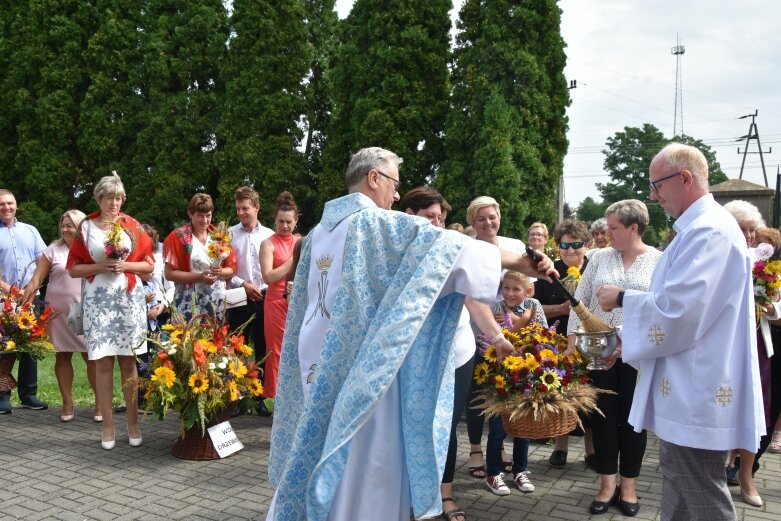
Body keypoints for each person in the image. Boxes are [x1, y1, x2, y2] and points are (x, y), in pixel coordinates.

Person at [266, 147, 555, 521]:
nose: (397, 195)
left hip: (318, 365)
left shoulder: (321, 231)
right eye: (394, 184)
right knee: (364, 470)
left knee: (325, 450)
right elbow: (442, 245)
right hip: (361, 372)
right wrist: (521, 262)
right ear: (374, 179)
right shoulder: (371, 223)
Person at [597, 143, 765, 521]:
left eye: (657, 185)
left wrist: (623, 296)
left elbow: (681, 311)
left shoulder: (711, 233)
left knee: (701, 492)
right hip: (687, 380)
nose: (654, 196)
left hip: (698, 387)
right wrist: (626, 340)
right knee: (678, 483)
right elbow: (674, 302)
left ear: (685, 178)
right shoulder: (696, 230)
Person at [400, 186, 514, 521]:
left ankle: (445, 495)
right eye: (429, 217)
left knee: (447, 425)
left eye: (440, 217)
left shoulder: (454, 251)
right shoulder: (400, 254)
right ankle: (408, 492)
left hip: (459, 352)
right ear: (411, 217)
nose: (436, 223)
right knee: (412, 423)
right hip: (413, 354)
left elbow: (473, 300)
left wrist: (497, 338)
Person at [566, 200, 662, 516]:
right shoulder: (598, 258)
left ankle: (630, 486)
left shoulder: (659, 261)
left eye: (614, 228)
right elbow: (580, 301)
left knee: (634, 423)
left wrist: (624, 336)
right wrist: (572, 343)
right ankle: (607, 485)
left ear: (633, 228)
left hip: (639, 355)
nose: (607, 234)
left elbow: (660, 310)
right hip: (599, 353)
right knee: (604, 419)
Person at [67, 173, 153, 450]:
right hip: (99, 301)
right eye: (108, 197)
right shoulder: (87, 228)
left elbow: (149, 266)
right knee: (102, 361)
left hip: (128, 300)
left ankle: (133, 423)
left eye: (118, 198)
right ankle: (107, 425)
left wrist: (125, 266)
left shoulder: (133, 226)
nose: (113, 203)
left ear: (123, 199)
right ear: (98, 199)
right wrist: (101, 267)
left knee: (129, 361)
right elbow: (73, 268)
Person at [464, 195, 525, 478]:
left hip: (510, 330)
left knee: (503, 391)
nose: (488, 222)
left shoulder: (515, 246)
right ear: (472, 223)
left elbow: (528, 288)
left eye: (492, 216)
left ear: (499, 217)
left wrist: (510, 310)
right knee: (478, 394)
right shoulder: (468, 247)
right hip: (476, 330)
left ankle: (498, 447)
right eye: (481, 218)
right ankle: (475, 448)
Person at [722, 200, 777, 507]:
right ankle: (720, 468)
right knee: (726, 406)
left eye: (752, 229)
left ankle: (747, 475)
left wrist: (770, 305)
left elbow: (778, 301)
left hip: (757, 343)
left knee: (756, 410)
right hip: (727, 346)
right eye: (743, 229)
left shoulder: (763, 263)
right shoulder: (720, 260)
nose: (749, 235)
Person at [23, 210, 100, 422]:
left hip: (85, 310)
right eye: (63, 225)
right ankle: (67, 404)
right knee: (62, 355)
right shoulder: (52, 250)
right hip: (56, 312)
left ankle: (100, 404)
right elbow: (36, 279)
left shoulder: (92, 249)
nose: (66, 229)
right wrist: (23, 303)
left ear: (81, 227)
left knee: (90, 356)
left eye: (71, 225)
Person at [535, 218, 594, 468]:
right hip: (558, 341)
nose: (570, 250)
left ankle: (591, 451)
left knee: (591, 397)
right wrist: (561, 308)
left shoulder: (594, 268)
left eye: (576, 244)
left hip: (591, 342)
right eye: (564, 245)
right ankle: (561, 447)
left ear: (586, 244)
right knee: (561, 395)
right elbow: (535, 309)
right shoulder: (548, 272)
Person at [483, 270, 545, 496]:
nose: (510, 293)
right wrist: (522, 321)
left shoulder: (535, 304)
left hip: (527, 372)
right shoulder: (497, 308)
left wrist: (518, 322)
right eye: (506, 288)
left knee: (522, 427)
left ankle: (520, 470)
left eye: (516, 289)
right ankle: (493, 473)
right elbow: (498, 338)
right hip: (502, 374)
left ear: (527, 290)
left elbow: (541, 333)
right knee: (498, 427)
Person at [0, 189, 49, 414]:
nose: (6, 207)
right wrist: (11, 291)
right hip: (3, 300)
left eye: (10, 203)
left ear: (16, 204)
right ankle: (2, 395)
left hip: (31, 298)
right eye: (1, 204)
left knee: (30, 347)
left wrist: (31, 288)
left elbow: (44, 262)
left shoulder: (30, 230)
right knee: (4, 347)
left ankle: (29, 395)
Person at [227, 187, 273, 399]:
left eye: (245, 208)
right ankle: (236, 396)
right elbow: (224, 270)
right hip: (239, 296)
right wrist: (242, 283)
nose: (241, 213)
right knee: (237, 347)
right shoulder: (229, 235)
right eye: (238, 209)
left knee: (263, 347)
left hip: (264, 296)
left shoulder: (269, 235)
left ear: (257, 207)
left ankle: (260, 396)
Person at [163, 193, 237, 322]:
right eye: (200, 216)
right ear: (190, 214)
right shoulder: (178, 237)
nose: (205, 220)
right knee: (188, 338)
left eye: (208, 215)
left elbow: (231, 269)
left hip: (216, 300)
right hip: (188, 299)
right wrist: (200, 277)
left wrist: (220, 272)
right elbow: (169, 274)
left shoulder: (220, 237)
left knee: (215, 339)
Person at [259, 191, 300, 403]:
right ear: (274, 220)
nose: (285, 226)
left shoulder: (301, 240)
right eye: (281, 221)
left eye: (289, 222)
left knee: (297, 348)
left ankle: (294, 394)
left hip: (298, 301)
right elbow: (268, 276)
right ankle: (273, 398)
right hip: (275, 301)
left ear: (296, 221)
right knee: (275, 351)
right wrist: (292, 262)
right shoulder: (268, 243)